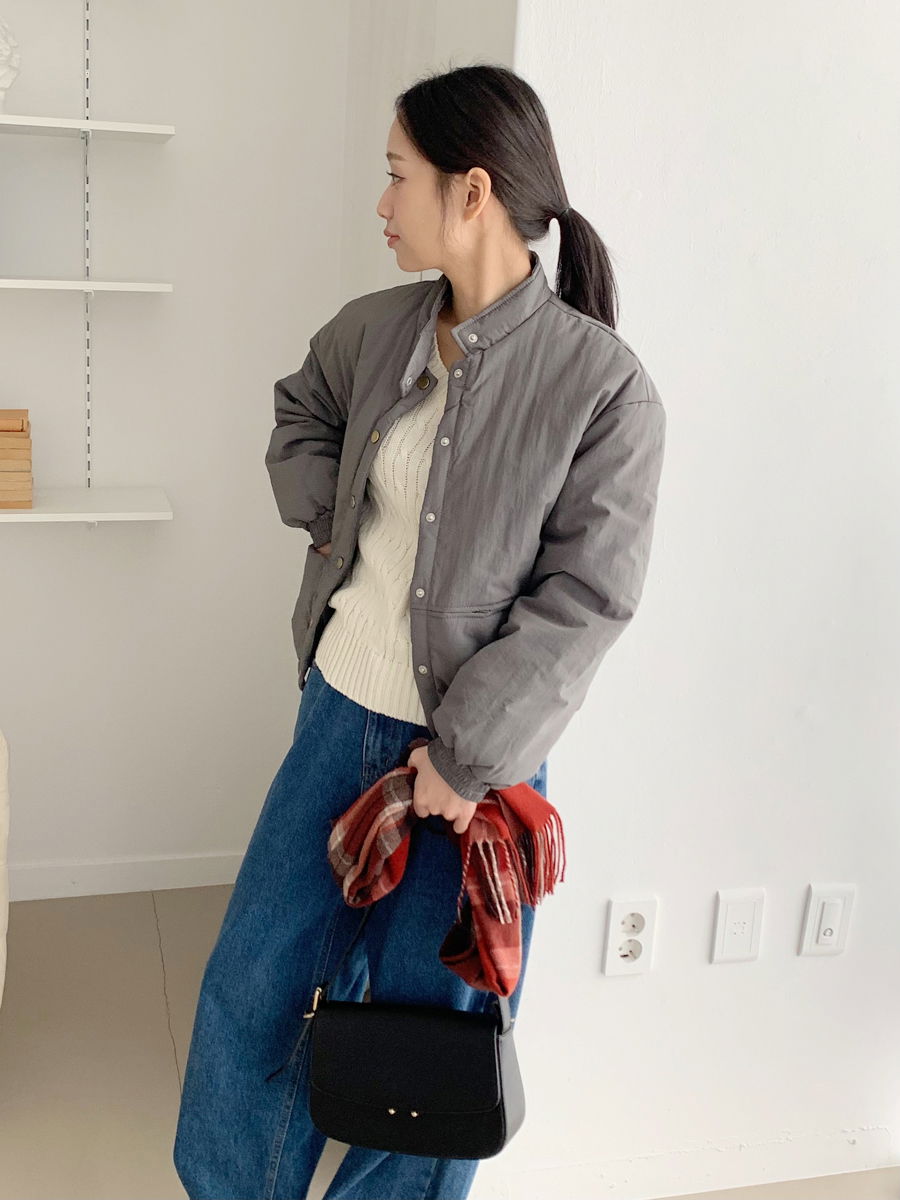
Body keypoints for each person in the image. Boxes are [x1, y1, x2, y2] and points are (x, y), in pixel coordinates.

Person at [173, 61, 666, 1200]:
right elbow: (301, 411)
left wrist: (464, 756)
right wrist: (328, 512)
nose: (382, 203)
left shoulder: (603, 387)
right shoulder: (376, 330)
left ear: (471, 190)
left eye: (398, 176)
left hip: (472, 772)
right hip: (336, 720)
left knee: (430, 1033)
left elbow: (587, 599)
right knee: (252, 990)